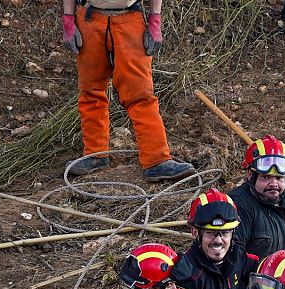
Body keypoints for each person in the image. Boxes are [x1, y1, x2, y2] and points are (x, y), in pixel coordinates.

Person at [61, 0, 195, 181]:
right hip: (90, 20)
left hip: (129, 20)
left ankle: (156, 160)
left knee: (140, 95)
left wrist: (155, 18)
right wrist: (68, 19)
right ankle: (95, 155)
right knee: (91, 93)